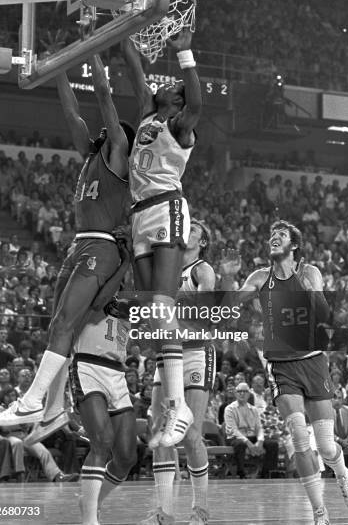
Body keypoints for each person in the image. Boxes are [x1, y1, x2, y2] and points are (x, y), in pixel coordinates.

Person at [0, 49, 133, 433]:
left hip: (101, 248)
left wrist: (91, 48)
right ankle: (53, 410)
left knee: (66, 322)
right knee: (58, 326)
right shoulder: (90, 156)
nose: (102, 130)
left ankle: (33, 401)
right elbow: (73, 115)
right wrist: (57, 70)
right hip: (78, 246)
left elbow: (103, 94)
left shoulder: (119, 154)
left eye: (110, 129)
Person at [236, 220, 348, 525]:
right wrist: (227, 279)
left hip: (314, 361)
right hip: (281, 366)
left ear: (293, 245)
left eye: (280, 236)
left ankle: (342, 474)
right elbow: (228, 304)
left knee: (328, 446)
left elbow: (323, 315)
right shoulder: (259, 278)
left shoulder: (310, 273)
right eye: (271, 235)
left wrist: (310, 294)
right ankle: (320, 511)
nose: (273, 239)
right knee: (299, 438)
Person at [123, 28, 202, 447]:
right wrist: (122, 31)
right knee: (153, 317)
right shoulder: (146, 117)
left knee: (161, 302)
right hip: (138, 215)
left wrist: (184, 53)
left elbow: (197, 100)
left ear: (178, 100)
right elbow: (133, 68)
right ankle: (176, 404)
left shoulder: (181, 125)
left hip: (166, 206)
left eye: (173, 85)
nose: (164, 83)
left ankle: (179, 405)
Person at [139, 219, 215, 525]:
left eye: (195, 228)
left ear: (203, 241)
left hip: (196, 353)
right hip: (167, 355)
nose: (188, 229)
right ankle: (165, 514)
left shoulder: (202, 269)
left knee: (192, 435)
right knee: (159, 432)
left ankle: (201, 512)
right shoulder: (166, 271)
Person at [70, 237, 137, 525]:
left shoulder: (126, 301)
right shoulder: (87, 289)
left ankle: (90, 501)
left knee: (126, 457)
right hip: (88, 366)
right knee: (102, 441)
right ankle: (89, 520)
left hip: (117, 374)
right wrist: (126, 263)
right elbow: (99, 301)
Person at [224, 381, 279, 479]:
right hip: (235, 437)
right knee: (240, 444)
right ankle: (241, 474)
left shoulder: (254, 409)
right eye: (239, 391)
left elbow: (259, 427)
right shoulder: (230, 409)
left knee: (273, 444)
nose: (242, 393)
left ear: (249, 394)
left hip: (251, 436)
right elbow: (233, 430)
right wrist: (248, 443)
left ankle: (266, 474)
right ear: (236, 393)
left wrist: (260, 441)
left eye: (245, 391)